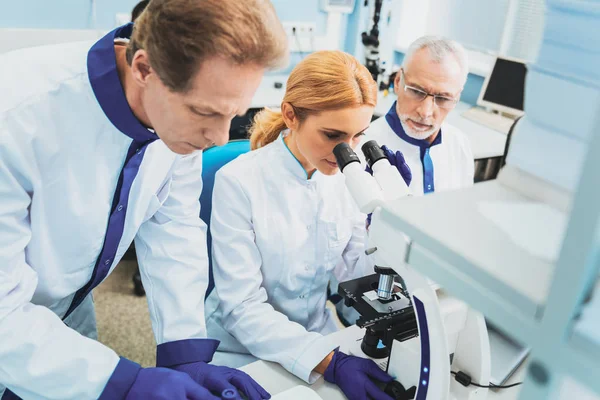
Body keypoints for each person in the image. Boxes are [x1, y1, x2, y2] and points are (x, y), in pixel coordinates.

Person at [0, 0, 288, 399]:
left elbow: (173, 224)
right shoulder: (15, 115)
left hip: (67, 310)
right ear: (143, 68)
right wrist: (124, 383)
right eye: (205, 112)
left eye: (233, 114)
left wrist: (184, 350)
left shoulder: (174, 118)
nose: (221, 138)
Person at [205, 50, 411, 400]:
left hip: (320, 338)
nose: (346, 151)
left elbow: (356, 280)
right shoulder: (238, 182)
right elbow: (241, 308)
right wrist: (329, 362)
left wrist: (386, 232)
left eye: (358, 136)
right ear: (291, 115)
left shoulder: (350, 181)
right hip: (242, 348)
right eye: (332, 135)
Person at [361, 36, 474, 195]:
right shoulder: (361, 150)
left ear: (457, 98)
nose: (425, 112)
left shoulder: (460, 145)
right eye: (416, 91)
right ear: (398, 81)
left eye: (443, 98)